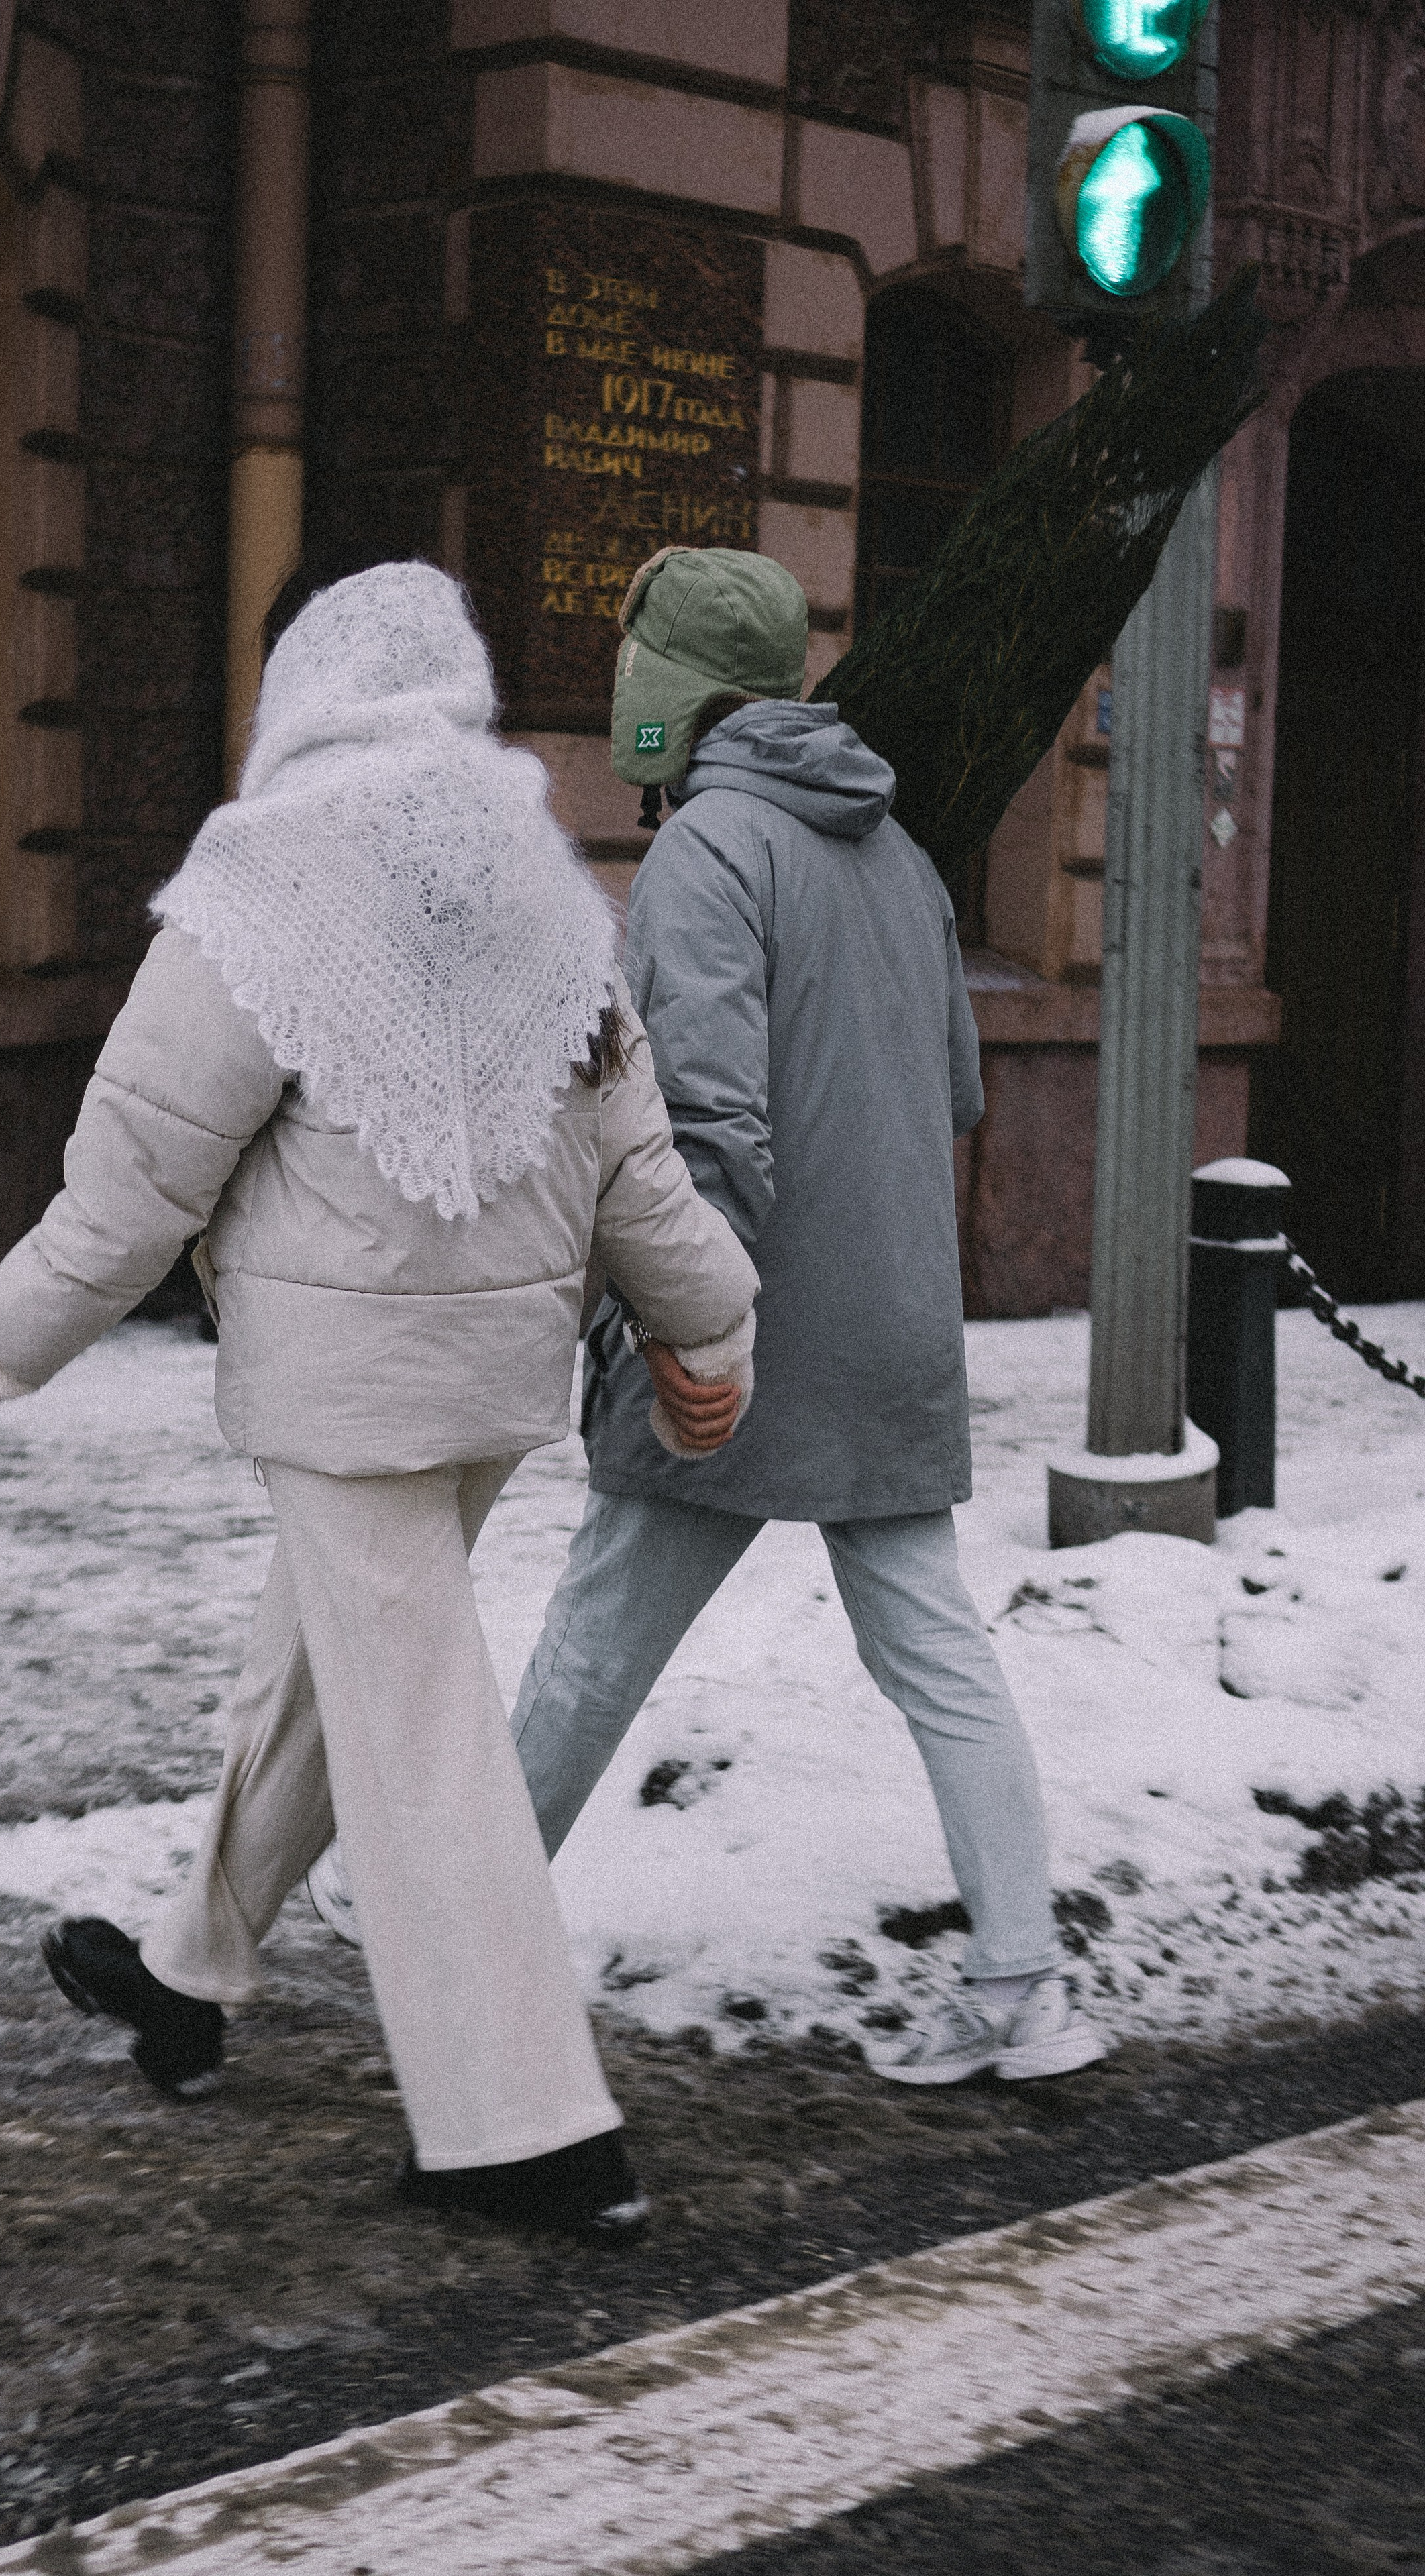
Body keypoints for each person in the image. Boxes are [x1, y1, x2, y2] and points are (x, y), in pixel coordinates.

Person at [0, 561, 758, 2235]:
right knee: (318, 1671)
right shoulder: (538, 875)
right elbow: (629, 1152)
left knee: (418, 1736)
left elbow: (137, 1176)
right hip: (486, 1380)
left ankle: (530, 2129)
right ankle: (189, 1974)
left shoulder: (264, 884)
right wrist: (710, 1326)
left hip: (343, 1383)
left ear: (302, 689)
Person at [310, 546, 1106, 2089]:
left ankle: (437, 1920)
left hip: (736, 1330)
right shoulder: (900, 858)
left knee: (596, 1640)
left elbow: (708, 1133)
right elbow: (953, 1092)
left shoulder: (704, 857)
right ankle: (1024, 1983)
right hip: (887, 1332)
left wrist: (686, 1330)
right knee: (936, 1653)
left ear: (667, 687)